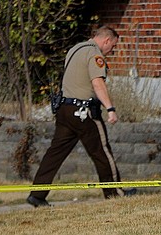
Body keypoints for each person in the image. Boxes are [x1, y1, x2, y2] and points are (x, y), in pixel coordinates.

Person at [27, 26, 133, 207]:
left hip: (65, 110)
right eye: (113, 46)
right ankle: (114, 192)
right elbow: (97, 83)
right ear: (106, 40)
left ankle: (37, 194)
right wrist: (110, 108)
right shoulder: (94, 54)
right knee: (102, 151)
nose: (112, 51)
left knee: (55, 153)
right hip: (84, 112)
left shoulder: (75, 49)